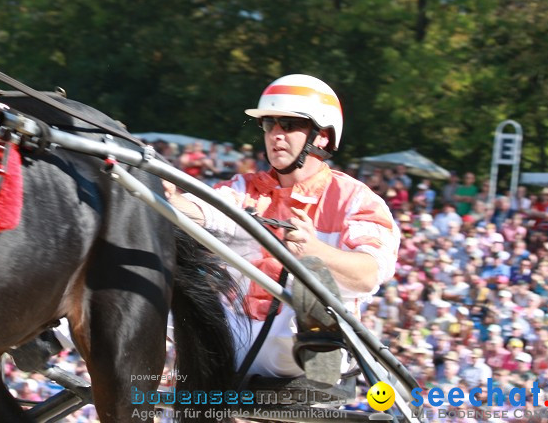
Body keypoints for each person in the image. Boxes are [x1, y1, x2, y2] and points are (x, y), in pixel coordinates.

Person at [166, 74, 400, 382]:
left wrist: (316, 252)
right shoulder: (242, 187)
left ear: (322, 136)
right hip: (231, 336)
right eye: (269, 124)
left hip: (298, 348)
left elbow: (369, 274)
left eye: (288, 125)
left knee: (311, 274)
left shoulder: (355, 199)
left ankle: (322, 358)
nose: (276, 134)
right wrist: (167, 197)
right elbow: (207, 212)